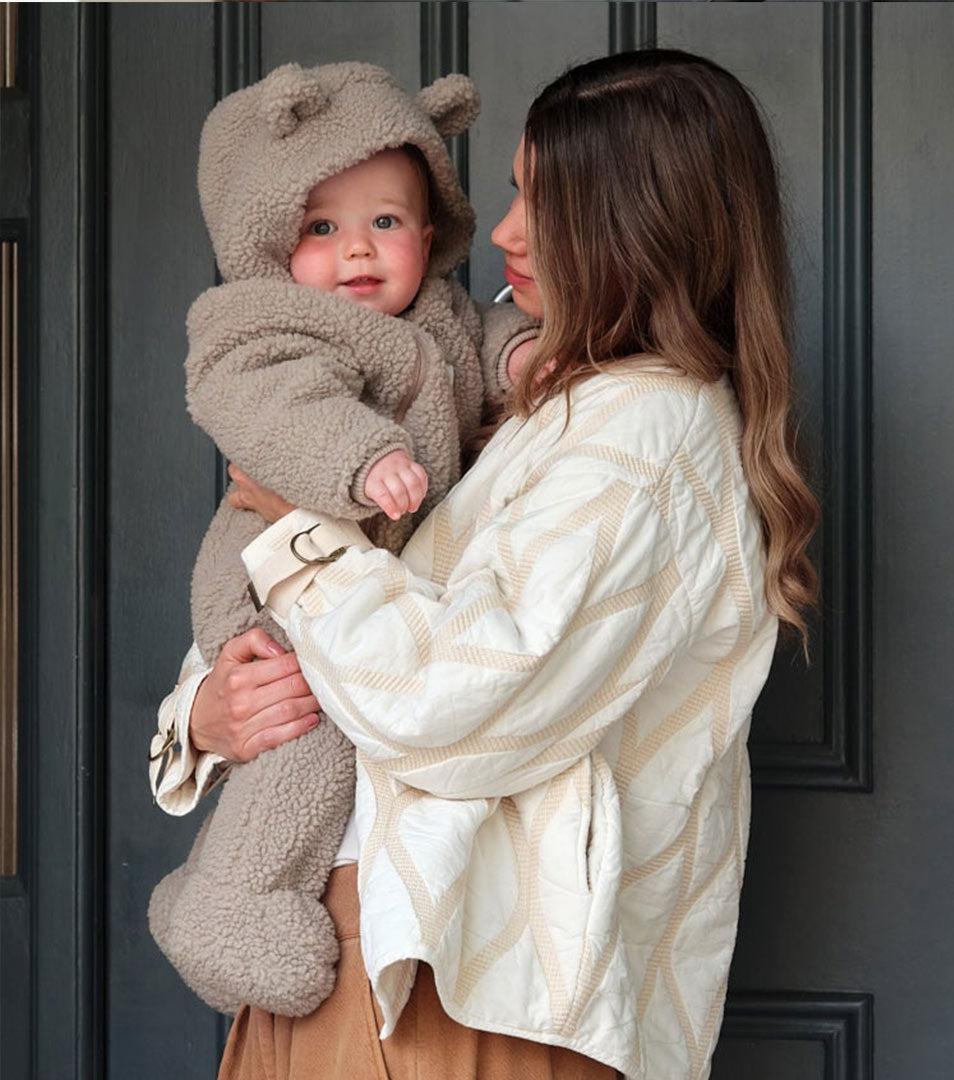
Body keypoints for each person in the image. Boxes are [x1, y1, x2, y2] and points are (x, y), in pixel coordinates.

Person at [150, 48, 819, 1080]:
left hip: (458, 994)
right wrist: (205, 714)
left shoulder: (645, 433)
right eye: (513, 190)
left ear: (638, 226)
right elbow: (382, 604)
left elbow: (453, 706)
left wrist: (297, 534)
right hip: (361, 951)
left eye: (544, 204)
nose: (502, 233)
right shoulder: (545, 401)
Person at [147, 60, 536, 1019]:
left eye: (386, 221)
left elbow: (489, 346)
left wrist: (527, 356)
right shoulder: (263, 326)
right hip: (268, 591)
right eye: (320, 228)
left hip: (378, 626)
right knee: (304, 738)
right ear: (266, 238)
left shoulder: (441, 316)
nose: (358, 250)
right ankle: (226, 903)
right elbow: (274, 409)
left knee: (319, 728)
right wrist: (359, 459)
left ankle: (233, 894)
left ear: (430, 233)